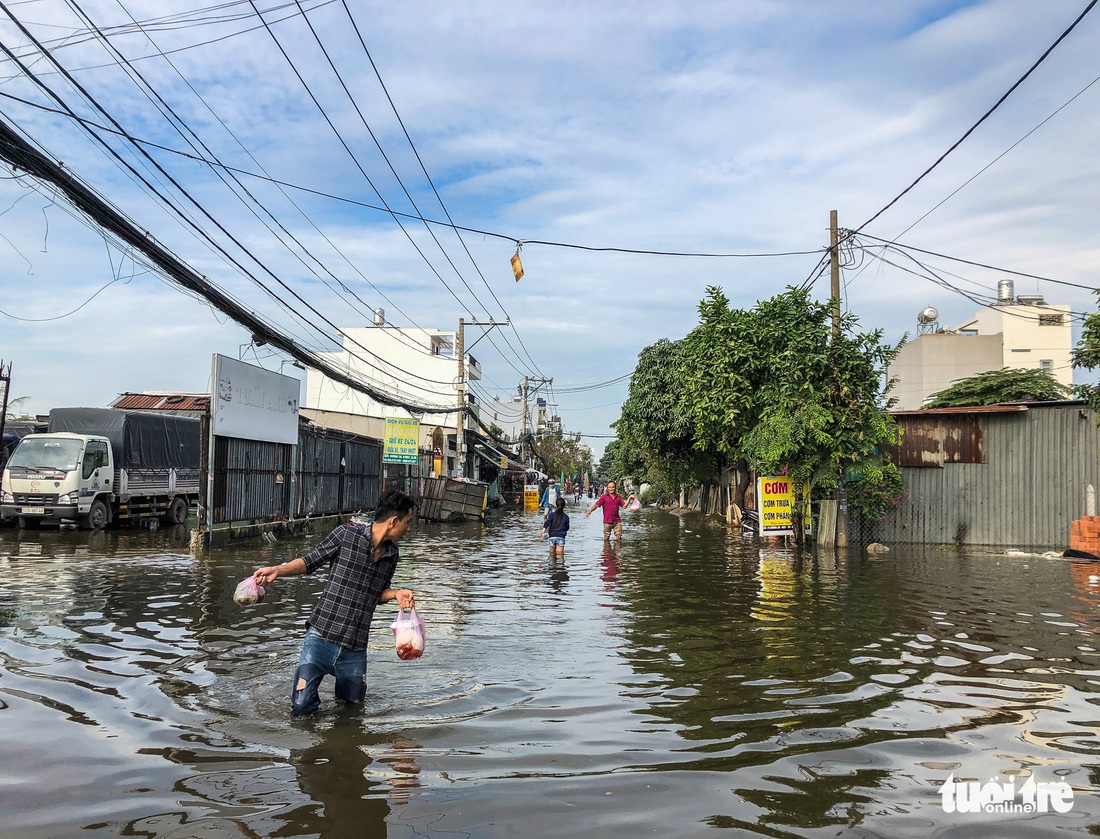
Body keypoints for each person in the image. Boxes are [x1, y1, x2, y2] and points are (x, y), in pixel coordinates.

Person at [251, 489, 417, 716]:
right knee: (300, 707)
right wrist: (277, 571)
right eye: (407, 522)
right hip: (321, 638)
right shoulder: (346, 535)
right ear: (393, 521)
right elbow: (311, 560)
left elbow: (377, 593)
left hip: (355, 647)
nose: (408, 528)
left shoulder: (392, 554)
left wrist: (395, 594)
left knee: (353, 709)